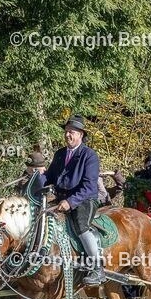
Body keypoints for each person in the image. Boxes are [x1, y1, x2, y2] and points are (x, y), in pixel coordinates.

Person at [43, 113, 105, 285]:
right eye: (67, 131)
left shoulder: (89, 155)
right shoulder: (60, 154)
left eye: (72, 132)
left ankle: (97, 268)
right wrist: (34, 181)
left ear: (81, 135)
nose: (68, 135)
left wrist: (70, 202)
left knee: (80, 224)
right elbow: (49, 177)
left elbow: (89, 186)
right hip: (60, 198)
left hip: (84, 199)